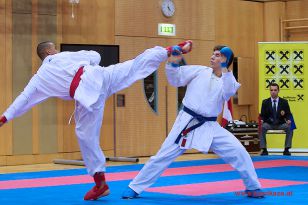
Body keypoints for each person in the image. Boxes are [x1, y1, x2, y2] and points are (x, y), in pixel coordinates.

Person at [0, 40, 192, 200]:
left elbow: (24, 99)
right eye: (54, 48)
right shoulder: (65, 56)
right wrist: (87, 61)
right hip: (100, 76)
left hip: (86, 96)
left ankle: (100, 183)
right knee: (133, 66)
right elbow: (95, 56)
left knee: (85, 135)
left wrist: (5, 117)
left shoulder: (39, 78)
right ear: (50, 51)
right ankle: (168, 50)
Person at [122, 45, 264, 199]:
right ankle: (135, 187)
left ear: (225, 60)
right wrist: (174, 62)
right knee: (162, 156)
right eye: (213, 54)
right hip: (187, 124)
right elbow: (175, 79)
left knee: (239, 151)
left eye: (217, 55)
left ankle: (253, 187)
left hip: (210, 126)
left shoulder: (227, 80)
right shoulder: (199, 71)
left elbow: (229, 91)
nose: (212, 57)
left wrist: (224, 68)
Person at [259, 83, 293, 156]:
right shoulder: (265, 102)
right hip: (269, 124)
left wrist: (289, 119)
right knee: (261, 127)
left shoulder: (284, 102)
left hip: (280, 124)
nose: (273, 92)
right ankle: (264, 149)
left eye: (275, 90)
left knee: (290, 127)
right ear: (270, 91)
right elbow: (262, 115)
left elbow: (288, 114)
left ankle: (286, 149)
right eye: (271, 90)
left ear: (278, 91)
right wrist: (261, 120)